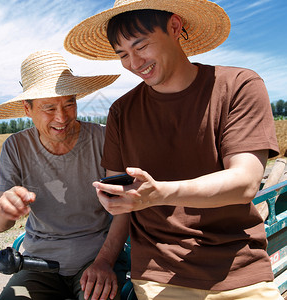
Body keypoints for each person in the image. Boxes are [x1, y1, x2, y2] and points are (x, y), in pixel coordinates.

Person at [64, 1, 282, 299]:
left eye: (141, 46)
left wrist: (159, 193)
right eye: (123, 55)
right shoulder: (122, 112)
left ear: (175, 28)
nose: (134, 63)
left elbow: (244, 182)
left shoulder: (238, 85)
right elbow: (124, 206)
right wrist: (103, 260)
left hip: (240, 269)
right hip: (159, 275)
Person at [0, 50, 127, 300]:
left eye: (69, 103)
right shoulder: (15, 147)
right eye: (49, 108)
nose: (62, 117)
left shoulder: (103, 138)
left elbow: (124, 208)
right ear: (27, 109)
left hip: (95, 258)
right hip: (38, 264)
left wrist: (104, 262)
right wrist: (4, 209)